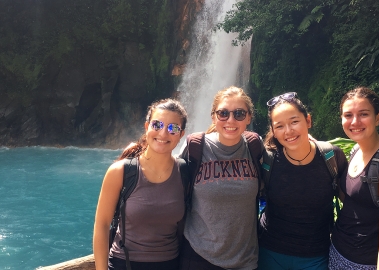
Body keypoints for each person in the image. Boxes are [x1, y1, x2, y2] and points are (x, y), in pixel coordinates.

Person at [93, 99, 188, 270]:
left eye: (173, 128)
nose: (163, 133)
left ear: (181, 134)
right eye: (157, 125)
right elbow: (102, 224)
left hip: (170, 265)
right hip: (125, 264)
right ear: (146, 127)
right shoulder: (120, 172)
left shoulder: (184, 172)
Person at [257, 92, 348, 270]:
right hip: (269, 252)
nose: (288, 131)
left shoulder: (331, 157)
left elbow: (352, 202)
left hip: (315, 256)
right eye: (280, 126)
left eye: (294, 122)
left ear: (308, 121)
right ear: (273, 131)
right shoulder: (267, 160)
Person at [178, 86, 261, 270]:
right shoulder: (195, 147)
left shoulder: (255, 147)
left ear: (248, 117)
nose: (230, 120)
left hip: (246, 260)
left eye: (239, 113)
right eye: (223, 113)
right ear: (213, 117)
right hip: (198, 257)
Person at [329, 87, 379, 269]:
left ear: (378, 118)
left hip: (366, 263)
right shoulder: (356, 150)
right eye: (348, 115)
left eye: (363, 114)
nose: (355, 121)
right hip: (337, 252)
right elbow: (354, 199)